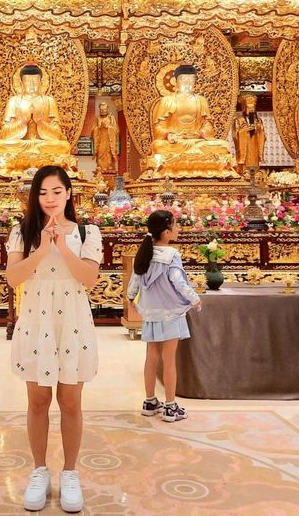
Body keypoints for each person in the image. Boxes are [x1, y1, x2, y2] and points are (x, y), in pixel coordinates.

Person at [5, 165, 102, 512]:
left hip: (73, 320)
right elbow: (13, 278)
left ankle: (71, 473)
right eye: (43, 192)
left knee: (71, 401)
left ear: (69, 194)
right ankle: (39, 470)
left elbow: (88, 278)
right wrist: (42, 248)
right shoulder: (22, 232)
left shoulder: (88, 232)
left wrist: (62, 244)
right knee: (37, 401)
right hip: (36, 320)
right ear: (34, 195)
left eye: (57, 191)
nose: (49, 199)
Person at [126, 209, 201, 422]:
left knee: (151, 358)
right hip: (171, 313)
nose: (178, 229)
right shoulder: (171, 255)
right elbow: (179, 282)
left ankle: (150, 401)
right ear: (166, 231)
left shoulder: (144, 254)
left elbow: (135, 281)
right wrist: (194, 298)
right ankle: (170, 406)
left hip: (150, 313)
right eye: (176, 225)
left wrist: (131, 298)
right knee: (169, 361)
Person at [149, 64, 236, 177]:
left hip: (197, 141)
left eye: (191, 80)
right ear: (175, 81)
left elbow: (208, 125)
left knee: (223, 146)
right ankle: (206, 165)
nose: (187, 83)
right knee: (158, 146)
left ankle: (179, 164)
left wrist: (200, 133)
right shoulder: (167, 101)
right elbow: (158, 127)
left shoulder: (201, 101)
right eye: (183, 79)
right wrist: (168, 134)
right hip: (176, 143)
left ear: (195, 82)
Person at [0, 64, 74, 177]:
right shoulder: (14, 101)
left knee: (64, 146)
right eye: (28, 81)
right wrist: (22, 123)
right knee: (0, 145)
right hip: (21, 145)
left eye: (35, 81)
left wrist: (41, 123)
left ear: (41, 82)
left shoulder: (49, 101)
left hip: (42, 144)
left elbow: (57, 134)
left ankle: (21, 164)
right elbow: (5, 133)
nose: (31, 84)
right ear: (21, 82)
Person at [233, 94, 265, 174]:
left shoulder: (258, 120)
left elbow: (262, 134)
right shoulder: (239, 120)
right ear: (244, 108)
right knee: (246, 164)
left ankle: (255, 175)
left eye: (252, 107)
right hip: (245, 146)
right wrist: (246, 130)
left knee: (254, 162)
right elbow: (235, 135)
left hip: (254, 145)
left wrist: (258, 129)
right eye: (248, 107)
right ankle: (244, 173)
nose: (251, 109)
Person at [91, 101, 119, 178]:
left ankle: (108, 166)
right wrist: (99, 127)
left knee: (108, 154)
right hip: (100, 140)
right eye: (101, 110)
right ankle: (100, 167)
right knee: (100, 153)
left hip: (109, 140)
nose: (103, 111)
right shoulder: (97, 119)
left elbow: (116, 130)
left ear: (107, 110)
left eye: (105, 110)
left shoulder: (111, 118)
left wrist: (108, 127)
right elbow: (93, 130)